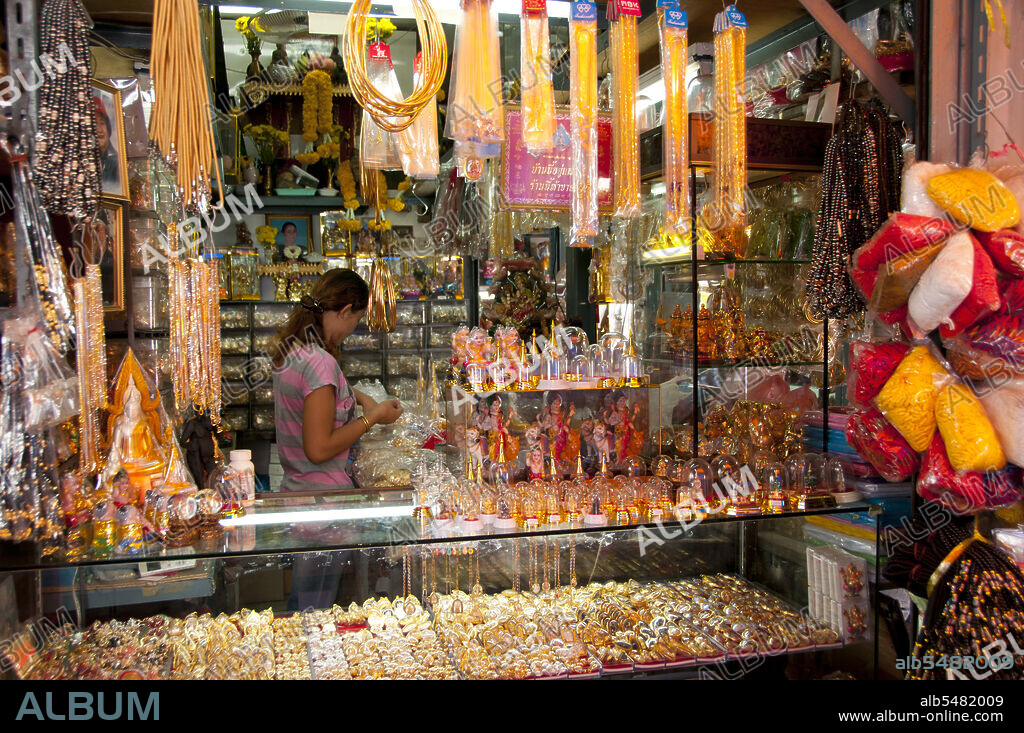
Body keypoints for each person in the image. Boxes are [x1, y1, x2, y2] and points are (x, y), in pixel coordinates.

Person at [270, 268, 402, 491]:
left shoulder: (292, 351)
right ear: (346, 311)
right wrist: (374, 416)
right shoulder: (320, 363)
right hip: (325, 501)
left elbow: (313, 390)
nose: (352, 329)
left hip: (296, 490)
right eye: (357, 319)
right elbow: (319, 450)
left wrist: (360, 396)